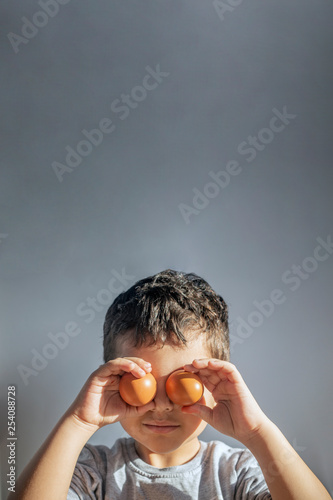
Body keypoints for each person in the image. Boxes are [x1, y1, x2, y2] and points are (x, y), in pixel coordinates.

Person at [10, 269, 331, 500]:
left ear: (216, 383)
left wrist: (258, 433)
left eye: (184, 382)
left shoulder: (236, 474)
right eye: (141, 383)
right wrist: (77, 423)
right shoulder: (95, 473)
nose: (162, 405)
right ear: (113, 380)